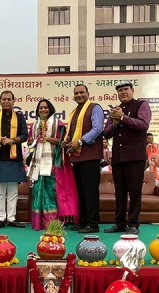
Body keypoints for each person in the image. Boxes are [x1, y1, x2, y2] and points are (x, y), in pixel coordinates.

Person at [103, 81, 151, 235]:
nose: (123, 92)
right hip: (118, 157)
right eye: (120, 90)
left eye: (126, 89)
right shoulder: (116, 110)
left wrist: (123, 118)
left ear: (132, 91)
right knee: (120, 192)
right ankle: (120, 223)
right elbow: (107, 133)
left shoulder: (141, 105)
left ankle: (134, 224)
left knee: (135, 191)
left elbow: (143, 125)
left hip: (135, 156)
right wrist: (116, 123)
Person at [27, 99, 79, 230]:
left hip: (53, 163)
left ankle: (53, 222)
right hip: (38, 164)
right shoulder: (34, 125)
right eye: (41, 108)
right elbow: (30, 143)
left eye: (45, 107)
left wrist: (46, 138)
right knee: (39, 191)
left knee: (52, 192)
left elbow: (62, 141)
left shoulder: (58, 124)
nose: (43, 110)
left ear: (50, 109)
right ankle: (39, 222)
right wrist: (35, 139)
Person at [62, 84, 104, 234]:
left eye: (82, 92)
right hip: (77, 158)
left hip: (91, 156)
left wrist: (79, 141)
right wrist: (67, 141)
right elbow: (72, 133)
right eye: (76, 93)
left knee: (90, 191)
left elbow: (98, 129)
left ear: (88, 93)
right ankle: (84, 221)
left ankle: (93, 223)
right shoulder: (74, 112)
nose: (79, 95)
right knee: (81, 191)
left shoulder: (95, 108)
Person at [0, 90, 28, 229]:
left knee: (13, 191)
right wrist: (0, 141)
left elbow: (25, 135)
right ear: (0, 101)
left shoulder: (20, 117)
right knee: (1, 191)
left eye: (9, 99)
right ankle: (1, 218)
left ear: (14, 101)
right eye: (4, 99)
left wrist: (12, 140)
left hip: (15, 158)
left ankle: (12, 218)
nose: (6, 101)